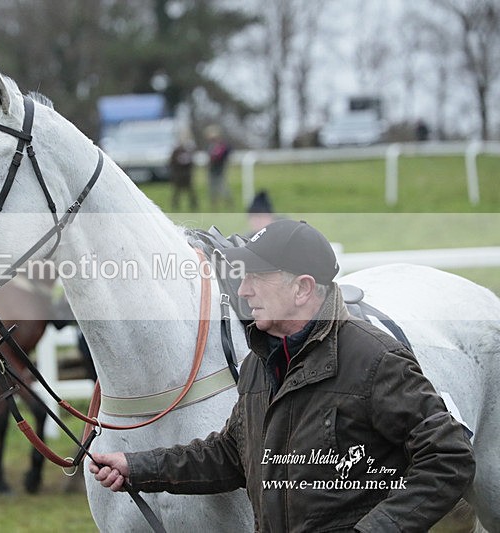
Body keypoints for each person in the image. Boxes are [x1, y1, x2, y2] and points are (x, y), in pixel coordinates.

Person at [90, 219, 475, 532]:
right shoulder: (260, 362)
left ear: (302, 288)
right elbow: (231, 455)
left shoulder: (376, 359)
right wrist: (135, 466)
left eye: (257, 276)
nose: (243, 289)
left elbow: (449, 457)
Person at [205, 125, 232, 209]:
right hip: (212, 171)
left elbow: (224, 155)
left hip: (219, 171)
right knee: (212, 190)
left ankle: (229, 204)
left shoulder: (222, 146)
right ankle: (214, 207)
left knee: (223, 189)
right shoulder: (210, 146)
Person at [169, 138, 198, 211]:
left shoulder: (188, 151)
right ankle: (175, 205)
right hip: (179, 175)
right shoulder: (175, 152)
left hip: (187, 175)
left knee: (190, 191)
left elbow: (191, 163)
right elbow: (172, 163)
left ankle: (194, 205)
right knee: (177, 191)